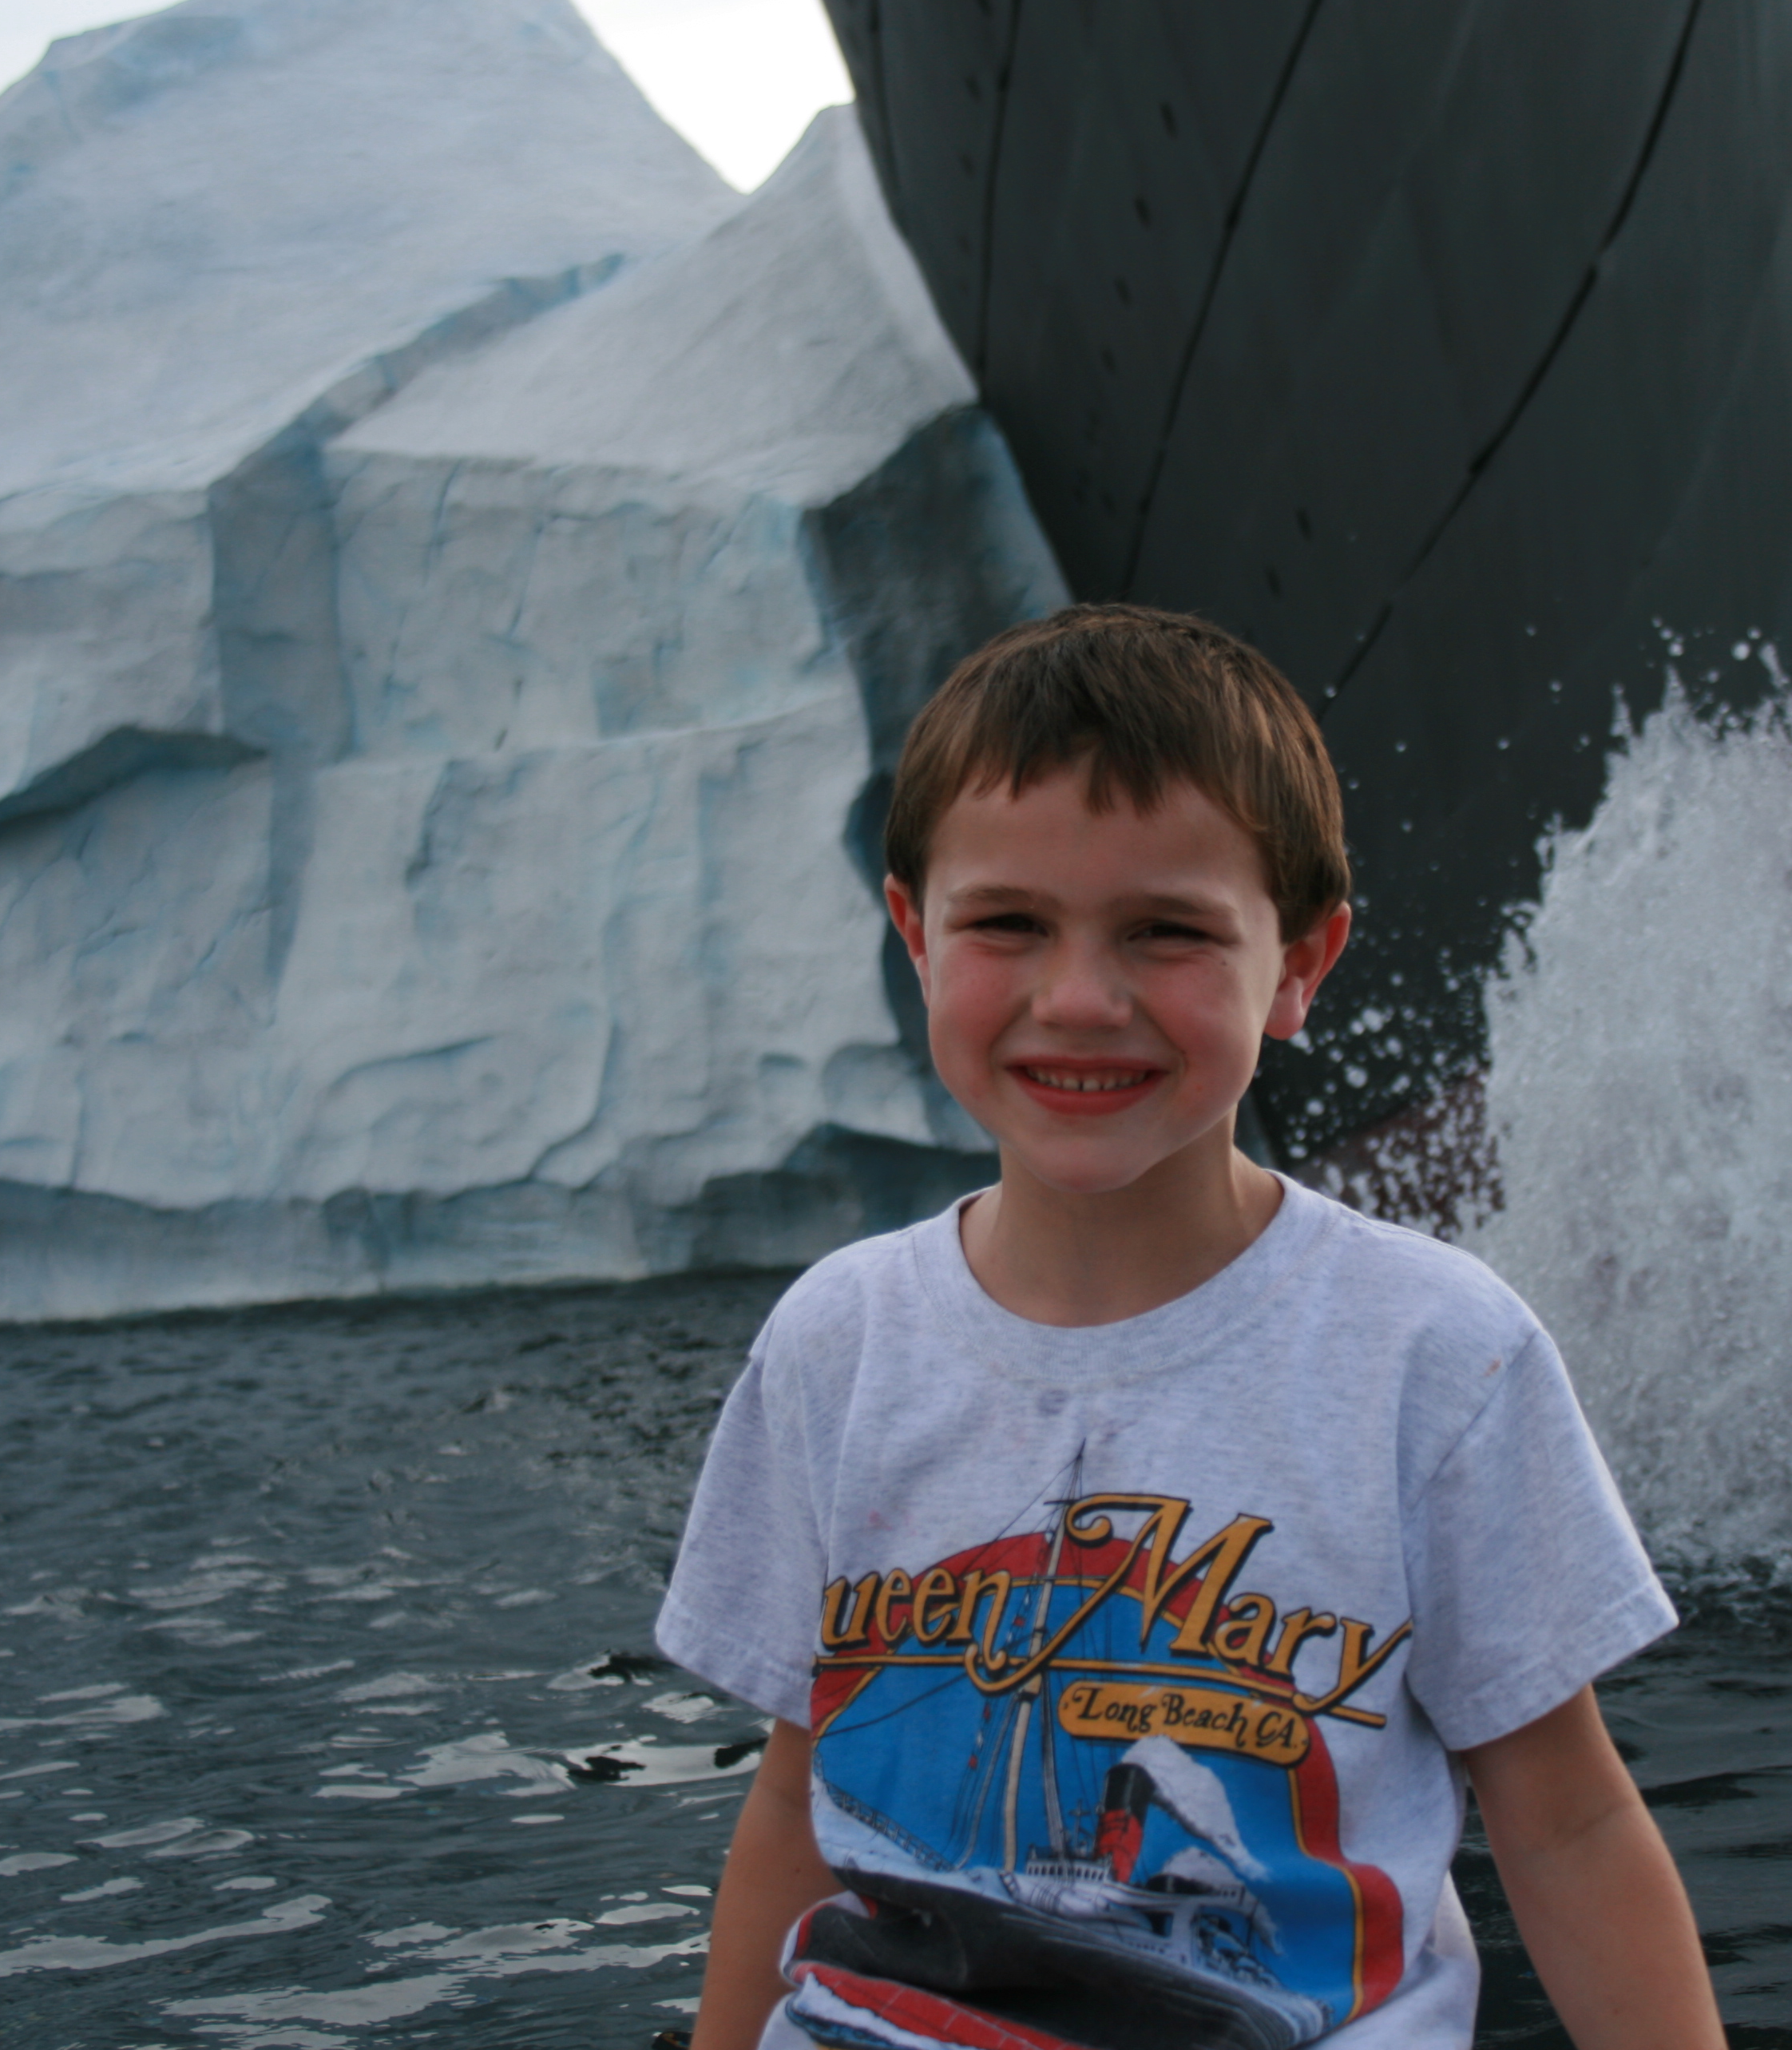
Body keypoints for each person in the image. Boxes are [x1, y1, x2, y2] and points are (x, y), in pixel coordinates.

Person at [656, 604, 1722, 2050]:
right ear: (915, 934)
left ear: (1300, 963)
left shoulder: (1432, 1355)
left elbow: (1568, 1821)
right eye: (1009, 924)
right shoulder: (837, 1344)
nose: (1080, 999)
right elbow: (799, 1796)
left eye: (1167, 932)